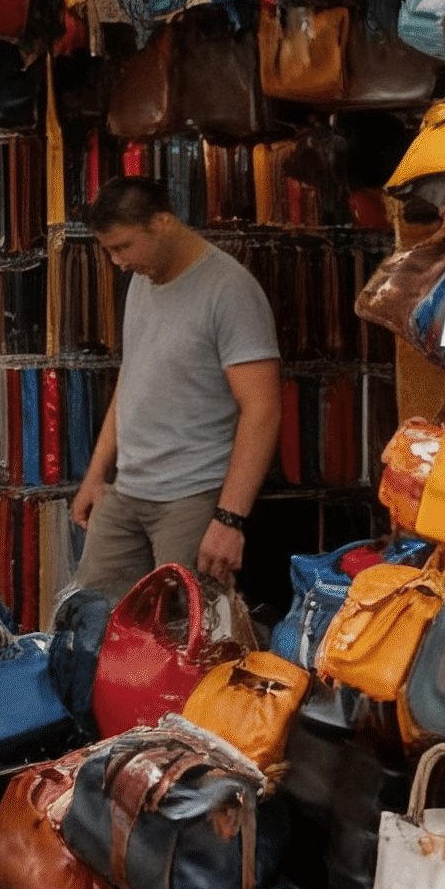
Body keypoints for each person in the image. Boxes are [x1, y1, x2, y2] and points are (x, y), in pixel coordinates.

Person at [72, 176, 281, 594]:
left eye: (123, 246)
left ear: (163, 223)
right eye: (109, 250)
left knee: (185, 638)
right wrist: (97, 475)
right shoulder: (141, 281)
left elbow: (263, 409)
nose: (117, 262)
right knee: (94, 624)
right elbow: (132, 381)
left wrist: (229, 519)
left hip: (192, 497)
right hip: (128, 490)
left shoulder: (229, 290)